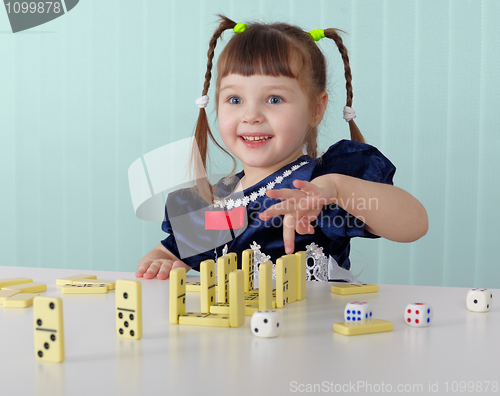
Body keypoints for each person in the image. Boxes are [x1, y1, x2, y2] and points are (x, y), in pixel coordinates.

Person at [135, 15, 428, 281]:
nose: (251, 115)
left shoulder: (318, 186)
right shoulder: (210, 202)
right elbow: (168, 255)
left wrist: (337, 189)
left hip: (311, 335)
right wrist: (161, 262)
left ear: (316, 109)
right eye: (235, 100)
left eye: (274, 99)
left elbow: (414, 224)